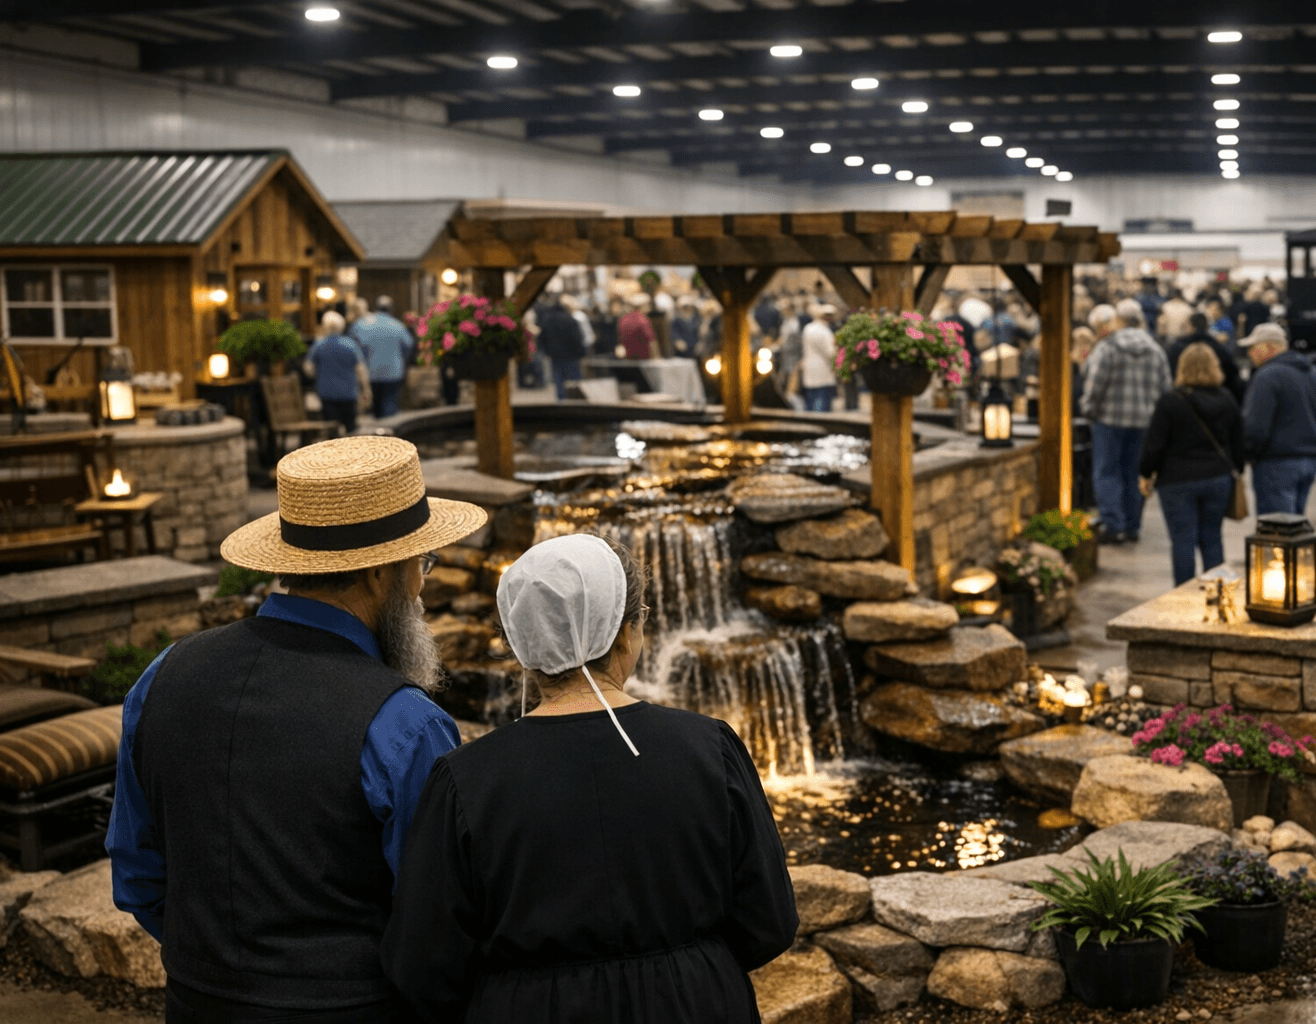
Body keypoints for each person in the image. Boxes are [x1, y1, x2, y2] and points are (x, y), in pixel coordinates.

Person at [107, 436, 488, 1024]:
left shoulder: (164, 673)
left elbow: (137, 876)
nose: (422, 584)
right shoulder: (406, 723)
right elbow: (436, 935)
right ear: (383, 571)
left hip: (195, 1003)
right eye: (422, 563)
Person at [382, 535, 798, 1024]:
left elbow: (424, 965)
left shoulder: (464, 780)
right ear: (624, 634)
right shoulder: (710, 749)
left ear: (522, 648)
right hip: (694, 1003)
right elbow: (768, 922)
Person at [1139, 344, 1244, 585]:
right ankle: (1218, 592)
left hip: (1177, 480)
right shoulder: (1227, 399)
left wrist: (1146, 473)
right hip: (1217, 478)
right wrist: (1238, 468)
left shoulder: (1170, 402)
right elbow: (1238, 440)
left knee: (1182, 539)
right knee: (1212, 538)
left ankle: (1183, 597)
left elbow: (1155, 444)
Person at [1082, 300, 1171, 544]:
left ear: (1118, 320)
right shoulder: (1155, 350)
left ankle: (1113, 525)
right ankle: (1132, 525)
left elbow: (1095, 385)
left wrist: (1088, 410)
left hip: (1109, 420)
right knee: (1134, 474)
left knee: (1107, 472)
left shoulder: (1108, 348)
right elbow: (1166, 390)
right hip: (1144, 422)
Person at [1240, 322, 1316, 515]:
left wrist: (1249, 455)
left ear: (1269, 347)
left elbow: (1255, 428)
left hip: (1275, 463)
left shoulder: (1267, 377)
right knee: (1297, 526)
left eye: (1253, 347)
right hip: (1310, 460)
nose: (1250, 353)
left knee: (1277, 530)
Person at [349, 295, 416, 419]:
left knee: (373, 407)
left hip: (370, 372)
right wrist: (402, 359)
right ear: (391, 308)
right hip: (393, 372)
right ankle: (388, 434)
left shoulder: (361, 325)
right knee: (390, 405)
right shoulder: (398, 325)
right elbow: (409, 344)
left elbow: (352, 346)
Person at [306, 309, 369, 433]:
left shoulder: (319, 345)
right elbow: (361, 370)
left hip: (327, 393)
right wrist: (366, 389)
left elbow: (308, 368)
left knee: (331, 429)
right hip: (348, 393)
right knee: (351, 429)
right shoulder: (350, 345)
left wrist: (317, 375)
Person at [1167, 312, 1246, 406]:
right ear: (1206, 327)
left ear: (1190, 327)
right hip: (1216, 403)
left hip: (1182, 401)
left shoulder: (1176, 349)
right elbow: (1232, 378)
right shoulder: (1220, 349)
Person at [540, 298, 587, 400]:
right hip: (571, 355)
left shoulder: (547, 321)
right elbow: (576, 338)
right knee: (573, 381)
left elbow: (542, 338)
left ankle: (561, 401)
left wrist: (547, 352)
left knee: (559, 380)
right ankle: (574, 401)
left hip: (555, 355)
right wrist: (582, 352)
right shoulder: (569, 320)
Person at [799, 303, 839, 412]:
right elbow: (831, 353)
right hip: (823, 373)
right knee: (820, 410)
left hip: (810, 371)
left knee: (811, 405)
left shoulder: (807, 328)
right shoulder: (824, 331)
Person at [617, 293, 657, 359]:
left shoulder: (623, 320)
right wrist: (656, 358)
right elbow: (651, 341)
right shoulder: (642, 320)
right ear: (642, 306)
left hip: (629, 360)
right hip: (644, 359)